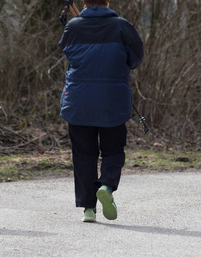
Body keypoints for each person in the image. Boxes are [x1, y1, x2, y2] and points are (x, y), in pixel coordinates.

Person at [59, 0, 144, 222]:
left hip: (79, 101)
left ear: (85, 1)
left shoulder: (73, 27)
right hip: (112, 102)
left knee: (84, 155)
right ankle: (106, 184)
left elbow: (67, 52)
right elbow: (136, 58)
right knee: (113, 150)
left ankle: (88, 208)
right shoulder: (122, 26)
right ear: (107, 1)